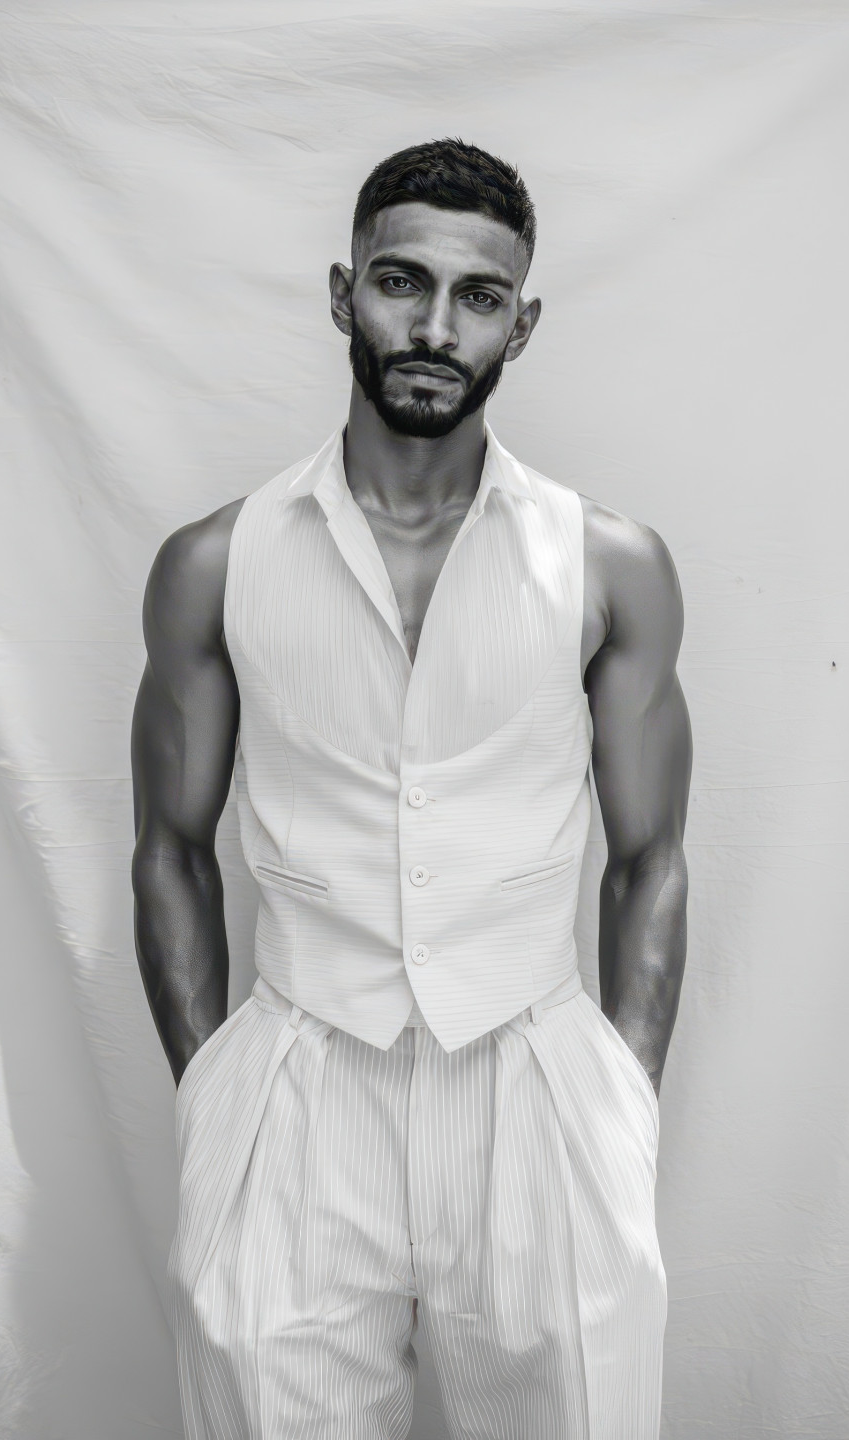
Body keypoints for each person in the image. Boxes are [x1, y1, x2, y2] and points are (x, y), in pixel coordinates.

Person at [131, 137, 692, 1440]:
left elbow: (650, 854)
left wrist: (621, 1109)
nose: (436, 325)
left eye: (478, 297)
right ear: (343, 294)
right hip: (299, 1087)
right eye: (401, 282)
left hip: (536, 1088)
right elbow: (168, 843)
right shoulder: (214, 562)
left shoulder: (609, 564)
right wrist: (218, 1091)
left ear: (522, 322)